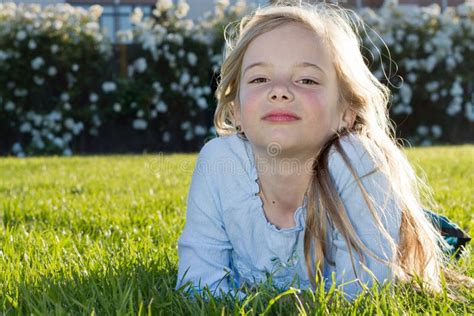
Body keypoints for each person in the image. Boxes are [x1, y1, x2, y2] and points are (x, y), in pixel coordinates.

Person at [176, 2, 471, 300]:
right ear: (236, 109)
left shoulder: (358, 161)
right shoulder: (218, 161)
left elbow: (363, 290)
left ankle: (423, 227)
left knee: (416, 245)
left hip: (371, 205)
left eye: (306, 80)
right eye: (259, 79)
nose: (279, 90)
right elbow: (197, 283)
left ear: (345, 111)